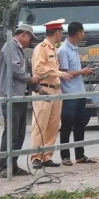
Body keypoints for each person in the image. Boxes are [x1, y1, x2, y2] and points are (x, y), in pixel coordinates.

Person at [0, 25, 40, 177]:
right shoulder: (10, 46)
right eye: (29, 37)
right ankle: (4, 167)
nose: (29, 42)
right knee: (11, 133)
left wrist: (35, 86)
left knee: (19, 133)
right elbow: (16, 69)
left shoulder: (17, 49)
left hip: (19, 95)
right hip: (11, 96)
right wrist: (30, 78)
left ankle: (13, 165)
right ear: (23, 34)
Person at [31, 19, 70, 169]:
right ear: (57, 32)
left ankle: (47, 156)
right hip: (44, 89)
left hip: (55, 89)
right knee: (40, 125)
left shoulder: (53, 48)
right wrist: (58, 73)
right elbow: (39, 69)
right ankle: (36, 156)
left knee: (53, 126)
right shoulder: (41, 48)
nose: (61, 35)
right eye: (61, 32)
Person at [57, 21, 96, 165]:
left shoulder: (74, 48)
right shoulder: (63, 51)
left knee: (80, 124)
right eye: (83, 32)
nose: (83, 34)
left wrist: (83, 72)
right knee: (67, 124)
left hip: (79, 91)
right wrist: (81, 71)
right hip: (69, 93)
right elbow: (64, 73)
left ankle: (80, 155)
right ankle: (65, 156)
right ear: (79, 33)